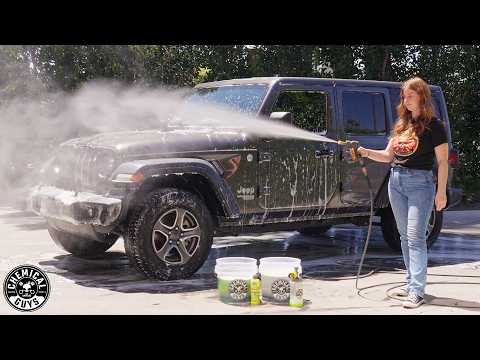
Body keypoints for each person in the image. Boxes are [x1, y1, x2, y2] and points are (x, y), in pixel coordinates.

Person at [357, 77, 449, 309]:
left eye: (410, 95)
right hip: (395, 182)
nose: (405, 99)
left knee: (416, 238)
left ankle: (417, 291)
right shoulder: (402, 124)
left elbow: (443, 162)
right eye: (404, 96)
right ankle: (410, 284)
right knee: (405, 237)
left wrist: (441, 193)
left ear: (422, 96)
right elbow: (388, 156)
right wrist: (365, 152)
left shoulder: (435, 126)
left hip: (421, 183)